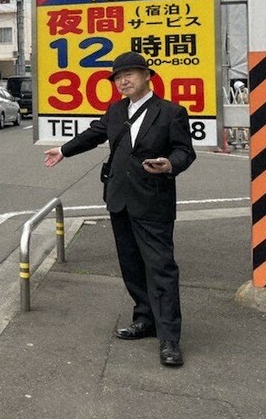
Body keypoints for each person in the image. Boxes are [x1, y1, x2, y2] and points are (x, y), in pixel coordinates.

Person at [43, 51, 196, 367]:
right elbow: (94, 135)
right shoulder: (115, 111)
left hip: (153, 200)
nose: (123, 81)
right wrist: (63, 150)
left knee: (161, 268)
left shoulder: (171, 112)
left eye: (130, 74)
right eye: (118, 77)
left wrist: (169, 164)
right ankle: (144, 317)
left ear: (146, 76)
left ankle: (169, 339)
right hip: (119, 199)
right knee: (131, 265)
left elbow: (185, 151)